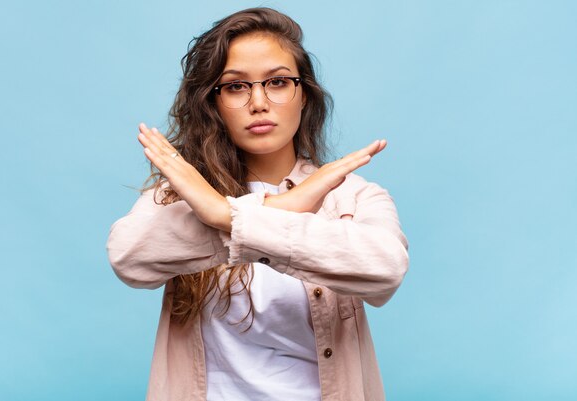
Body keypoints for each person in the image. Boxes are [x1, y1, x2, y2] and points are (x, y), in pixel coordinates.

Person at [106, 7, 409, 401]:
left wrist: (223, 215)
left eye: (278, 82)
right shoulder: (184, 193)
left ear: (304, 95)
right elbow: (128, 258)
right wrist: (281, 207)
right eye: (235, 87)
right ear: (213, 104)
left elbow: (385, 270)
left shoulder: (351, 195)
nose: (259, 102)